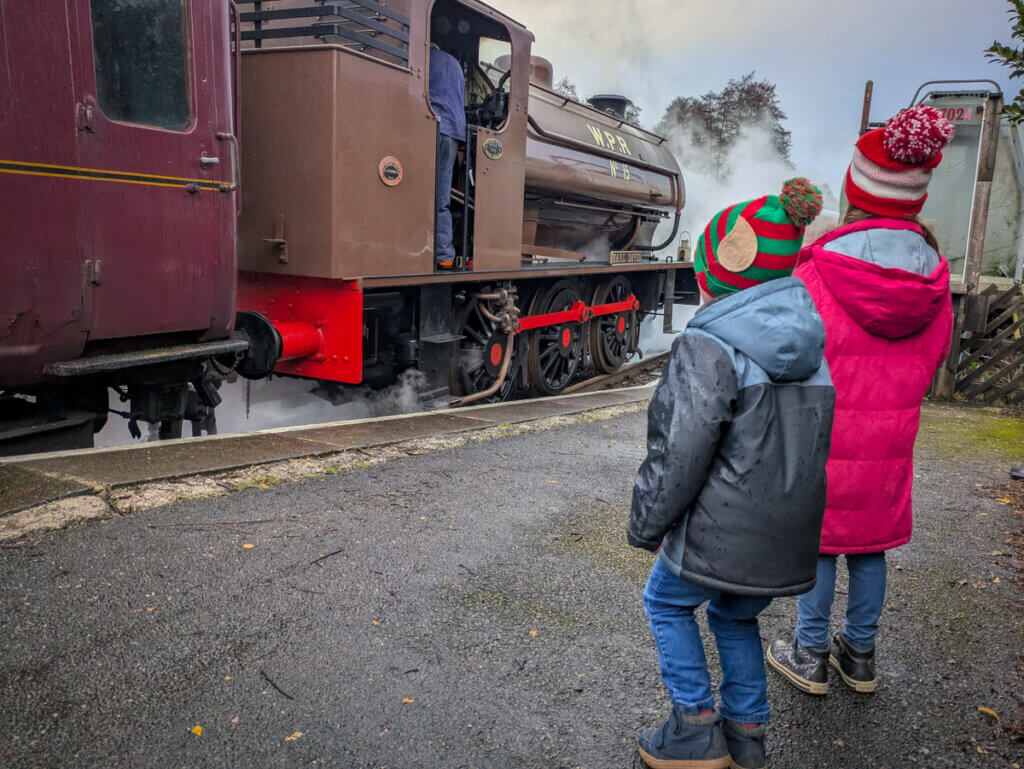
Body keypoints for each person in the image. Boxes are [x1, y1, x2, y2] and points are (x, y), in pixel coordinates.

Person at [629, 180, 833, 769]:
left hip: (718, 529)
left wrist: (647, 525)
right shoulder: (813, 345)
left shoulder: (707, 344)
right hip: (786, 533)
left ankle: (694, 726)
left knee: (666, 603)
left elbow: (679, 451)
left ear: (715, 274)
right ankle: (747, 735)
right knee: (735, 616)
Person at [768, 105, 955, 696]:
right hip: (891, 437)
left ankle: (810, 652)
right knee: (871, 546)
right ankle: (862, 656)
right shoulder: (935, 277)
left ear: (856, 190)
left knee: (822, 543)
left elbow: (788, 352)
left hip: (824, 432)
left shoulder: (819, 269)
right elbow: (936, 354)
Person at [428, 44, 466, 270]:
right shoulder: (455, 64)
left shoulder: (423, 57)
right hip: (452, 133)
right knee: (441, 196)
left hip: (431, 124)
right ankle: (444, 255)